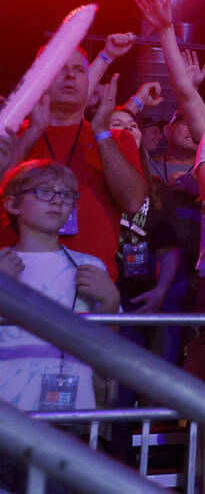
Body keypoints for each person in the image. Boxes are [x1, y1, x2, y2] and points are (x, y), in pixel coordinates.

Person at [3, 51, 146, 281]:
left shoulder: (116, 139)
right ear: (41, 78)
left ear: (88, 83)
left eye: (79, 70)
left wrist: (101, 132)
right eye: (60, 68)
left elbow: (132, 202)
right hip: (14, 281)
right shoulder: (10, 133)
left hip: (89, 283)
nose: (70, 75)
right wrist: (32, 134)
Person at [0, 160, 119, 411]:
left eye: (66, 195)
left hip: (71, 407)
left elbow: (109, 349)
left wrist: (111, 301)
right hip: (8, 414)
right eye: (44, 192)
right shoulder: (2, 264)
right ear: (12, 204)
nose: (57, 201)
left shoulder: (89, 265)